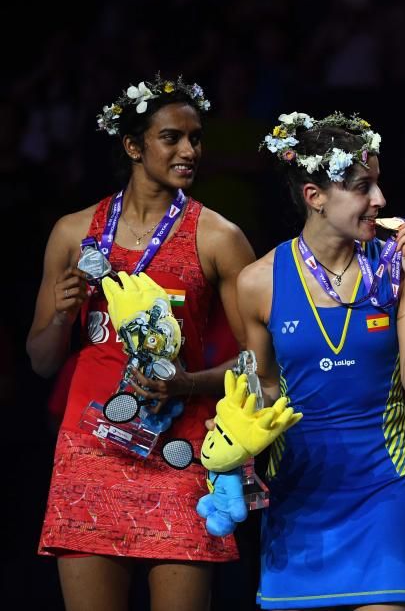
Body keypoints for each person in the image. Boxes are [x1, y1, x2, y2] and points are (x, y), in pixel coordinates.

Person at [29, 75, 256, 608]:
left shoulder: (218, 236)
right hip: (90, 452)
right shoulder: (73, 233)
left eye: (196, 138)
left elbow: (260, 364)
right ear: (133, 145)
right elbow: (40, 362)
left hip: (179, 457)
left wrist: (188, 382)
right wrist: (62, 315)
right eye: (171, 138)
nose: (189, 151)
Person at [239, 111, 405, 609]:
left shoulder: (396, 266)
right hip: (298, 499)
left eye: (377, 184)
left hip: (383, 492)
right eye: (362, 187)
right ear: (315, 196)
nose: (380, 200)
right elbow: (261, 387)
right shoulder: (258, 283)